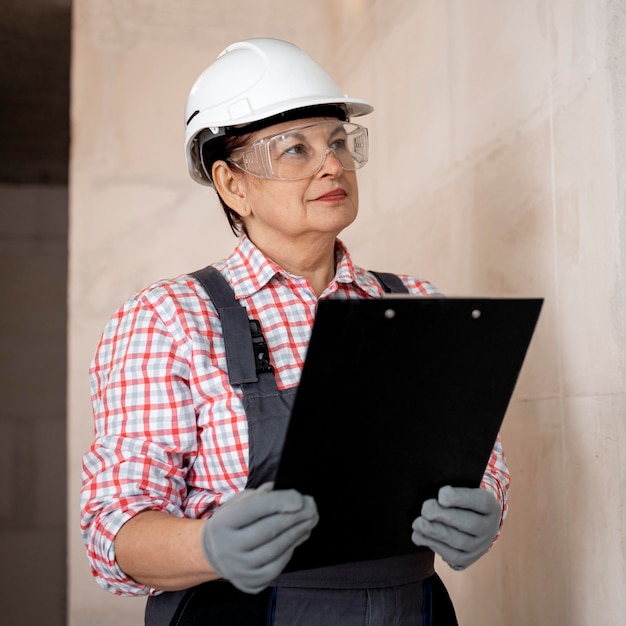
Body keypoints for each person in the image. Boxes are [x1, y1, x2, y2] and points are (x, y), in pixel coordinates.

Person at [81, 38, 510, 626]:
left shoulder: (416, 303)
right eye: (294, 150)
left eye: (338, 142)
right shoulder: (169, 318)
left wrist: (483, 508)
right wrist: (205, 546)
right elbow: (113, 525)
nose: (332, 164)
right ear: (233, 185)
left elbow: (478, 461)